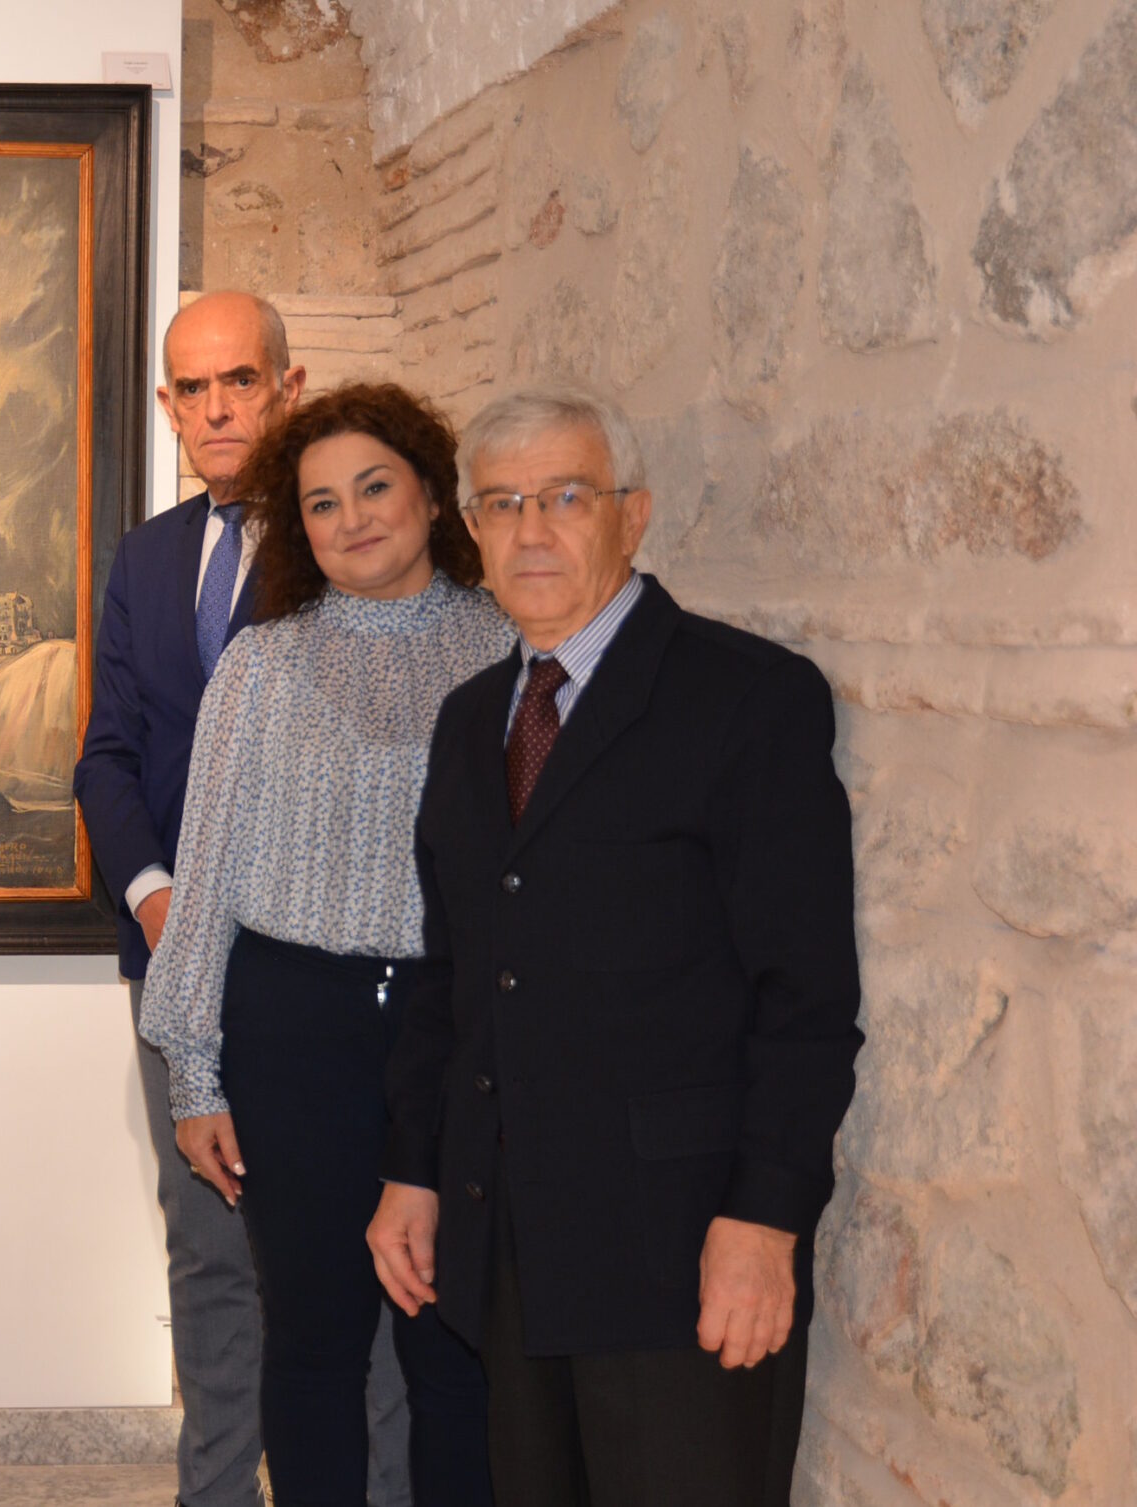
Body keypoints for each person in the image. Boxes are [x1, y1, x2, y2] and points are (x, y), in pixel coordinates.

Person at [366, 385, 862, 1507]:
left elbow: (806, 994)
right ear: (471, 532)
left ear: (631, 516)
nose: (530, 529)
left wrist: (766, 1215)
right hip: (507, 1251)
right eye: (500, 504)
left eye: (565, 496)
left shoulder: (746, 701)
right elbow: (451, 973)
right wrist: (415, 1165)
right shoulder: (468, 719)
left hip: (676, 1255)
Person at [139, 383, 506, 1507]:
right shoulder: (261, 666)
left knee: (455, 1346)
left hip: (457, 1033)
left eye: (373, 486)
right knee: (309, 1345)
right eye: (319, 503)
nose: (351, 518)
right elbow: (201, 878)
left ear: (431, 493)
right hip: (294, 1030)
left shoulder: (508, 650)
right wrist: (193, 1071)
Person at [73, 291, 301, 1507]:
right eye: (193, 388)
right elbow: (106, 754)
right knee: (207, 1255)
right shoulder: (148, 556)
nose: (216, 408)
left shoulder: (351, 550)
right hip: (173, 962)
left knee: (327, 1254)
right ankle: (213, 1492)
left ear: (288, 386)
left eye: (240, 380)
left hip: (311, 960)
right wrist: (157, 899)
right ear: (167, 406)